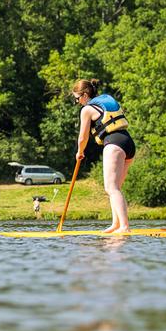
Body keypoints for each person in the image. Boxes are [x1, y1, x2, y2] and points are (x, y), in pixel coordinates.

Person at [72, 78, 136, 233]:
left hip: (113, 144)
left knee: (111, 188)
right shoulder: (105, 100)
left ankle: (124, 227)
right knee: (116, 188)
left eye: (77, 99)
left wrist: (80, 152)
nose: (77, 102)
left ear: (85, 95)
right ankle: (116, 224)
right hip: (128, 143)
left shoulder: (87, 110)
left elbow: (83, 137)